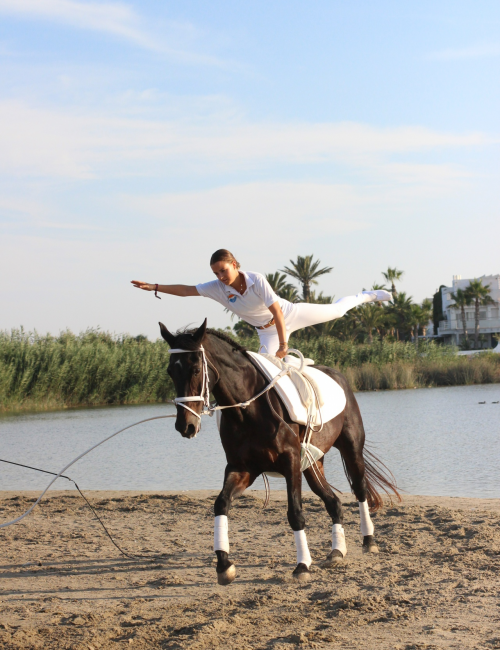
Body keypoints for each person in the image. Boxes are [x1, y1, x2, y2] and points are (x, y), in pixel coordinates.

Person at [131, 249, 392, 359]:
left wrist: (285, 345)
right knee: (267, 368)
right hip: (265, 331)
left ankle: (367, 295)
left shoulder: (256, 280)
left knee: (336, 311)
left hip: (289, 315)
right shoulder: (217, 289)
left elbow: (277, 311)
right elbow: (187, 290)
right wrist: (155, 287)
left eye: (223, 270)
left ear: (234, 264)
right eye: (216, 273)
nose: (220, 276)